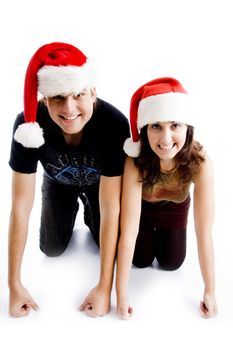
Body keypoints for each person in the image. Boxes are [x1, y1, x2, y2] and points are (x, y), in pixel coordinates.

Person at [8, 42, 130, 317]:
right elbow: (20, 206)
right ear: (44, 100)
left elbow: (112, 208)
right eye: (59, 98)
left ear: (93, 93)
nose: (70, 108)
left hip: (102, 187)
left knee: (107, 246)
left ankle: (87, 210)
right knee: (51, 249)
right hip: (58, 184)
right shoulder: (28, 125)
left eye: (78, 95)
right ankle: (68, 206)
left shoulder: (114, 125)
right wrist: (13, 285)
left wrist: (103, 287)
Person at [115, 77, 218, 320]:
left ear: (188, 128)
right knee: (140, 260)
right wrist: (120, 294)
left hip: (175, 211)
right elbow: (128, 231)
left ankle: (164, 236)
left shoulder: (200, 162)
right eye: (156, 126)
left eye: (175, 125)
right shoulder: (136, 159)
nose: (166, 138)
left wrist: (210, 291)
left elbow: (204, 232)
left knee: (172, 262)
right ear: (144, 128)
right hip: (143, 210)